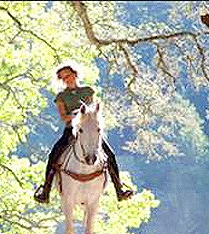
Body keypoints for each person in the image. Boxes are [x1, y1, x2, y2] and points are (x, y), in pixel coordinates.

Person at [34, 62, 134, 204]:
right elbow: (63, 117)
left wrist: (87, 117)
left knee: (110, 154)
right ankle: (46, 190)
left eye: (68, 76)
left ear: (74, 74)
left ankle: (119, 188)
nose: (66, 79)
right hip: (72, 130)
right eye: (63, 78)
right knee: (54, 154)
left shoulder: (87, 91)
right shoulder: (61, 97)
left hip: (89, 129)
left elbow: (92, 111)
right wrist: (76, 116)